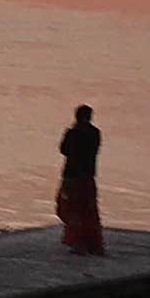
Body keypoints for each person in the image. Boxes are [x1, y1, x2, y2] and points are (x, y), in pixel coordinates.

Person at [56, 102, 105, 255]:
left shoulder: (72, 133)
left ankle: (78, 243)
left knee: (70, 209)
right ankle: (92, 244)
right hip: (88, 176)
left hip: (72, 176)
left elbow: (63, 150)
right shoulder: (95, 133)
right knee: (88, 210)